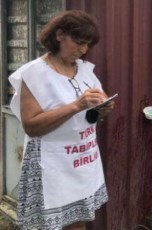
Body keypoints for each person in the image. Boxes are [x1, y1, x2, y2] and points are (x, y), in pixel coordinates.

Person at [8, 10, 114, 230]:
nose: (83, 50)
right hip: (52, 164)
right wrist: (76, 105)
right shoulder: (34, 74)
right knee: (53, 225)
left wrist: (101, 110)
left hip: (83, 160)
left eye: (88, 45)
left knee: (79, 220)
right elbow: (32, 126)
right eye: (79, 42)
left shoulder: (84, 70)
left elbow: (89, 115)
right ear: (59, 35)